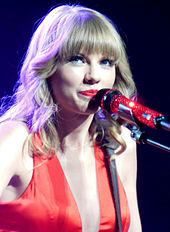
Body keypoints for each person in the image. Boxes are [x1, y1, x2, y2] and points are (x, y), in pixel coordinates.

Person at [0, 4, 142, 232]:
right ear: (49, 67)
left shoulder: (119, 145)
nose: (94, 76)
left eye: (106, 62)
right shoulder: (16, 141)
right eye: (78, 59)